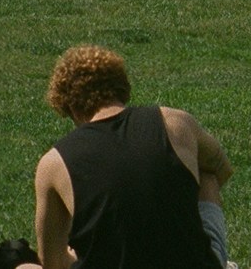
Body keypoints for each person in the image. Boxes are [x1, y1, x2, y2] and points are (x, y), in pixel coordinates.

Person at [34, 45, 231, 269]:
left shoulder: (52, 164)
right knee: (205, 171)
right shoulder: (175, 122)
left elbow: (52, 263)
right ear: (121, 88)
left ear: (71, 107)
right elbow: (221, 168)